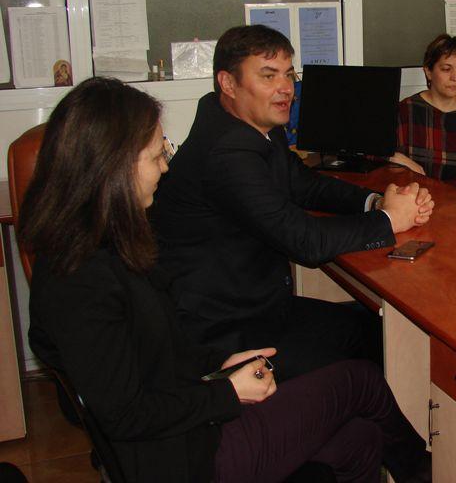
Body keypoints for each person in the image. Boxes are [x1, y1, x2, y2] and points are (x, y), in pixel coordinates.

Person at [21, 77, 431, 483]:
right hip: (185, 457)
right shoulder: (80, 279)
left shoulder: (108, 242)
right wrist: (226, 393)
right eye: (157, 155)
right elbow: (126, 414)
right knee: (360, 382)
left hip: (189, 417)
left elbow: (158, 350)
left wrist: (219, 365)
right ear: (113, 167)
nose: (166, 167)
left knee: (360, 440)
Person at [150, 25, 434, 381]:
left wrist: (374, 202)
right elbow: (305, 241)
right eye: (268, 76)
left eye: (289, 74)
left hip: (255, 305)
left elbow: (302, 184)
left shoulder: (251, 123)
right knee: (377, 348)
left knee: (372, 330)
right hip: (224, 330)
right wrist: (390, 220)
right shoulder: (226, 152)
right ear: (228, 83)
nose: (286, 88)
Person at [391, 34, 456, 195]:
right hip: (416, 201)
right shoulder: (406, 110)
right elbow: (380, 160)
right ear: (428, 71)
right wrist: (395, 158)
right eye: (446, 69)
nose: (455, 77)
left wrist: (438, 189)